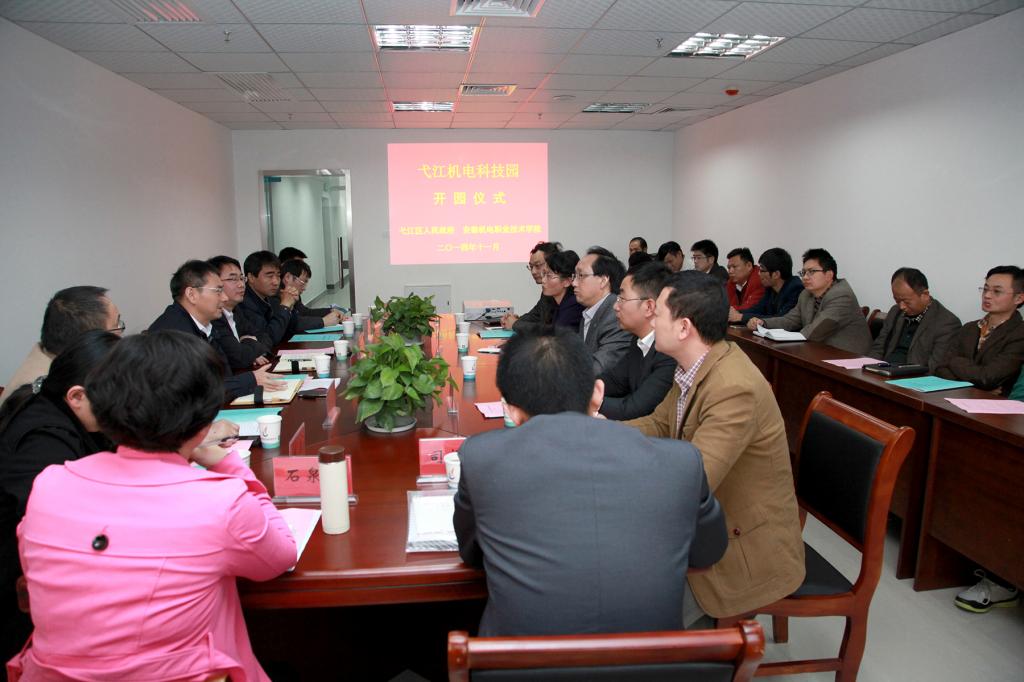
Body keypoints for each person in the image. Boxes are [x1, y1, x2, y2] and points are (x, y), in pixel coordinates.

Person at [9, 331, 296, 681]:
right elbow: (281, 555)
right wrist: (230, 466)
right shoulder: (219, 501)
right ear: (204, 422)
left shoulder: (49, 484)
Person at [453, 326, 726, 636]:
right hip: (652, 659)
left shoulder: (482, 458)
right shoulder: (681, 462)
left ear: (511, 410)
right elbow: (708, 553)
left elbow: (472, 554)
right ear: (598, 393)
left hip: (521, 660)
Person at [626, 271, 805, 623]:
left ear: (684, 328)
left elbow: (696, 482)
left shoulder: (733, 387)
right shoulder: (695, 365)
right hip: (708, 523)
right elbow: (660, 424)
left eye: (657, 314)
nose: (651, 321)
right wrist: (597, 435)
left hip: (739, 549)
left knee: (634, 615)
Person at [0, 331, 120, 663]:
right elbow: (58, 530)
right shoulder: (43, 441)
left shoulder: (64, 411)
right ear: (77, 396)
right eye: (119, 398)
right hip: (24, 602)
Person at [149, 260, 282, 401]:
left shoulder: (204, 324)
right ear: (192, 294)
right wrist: (251, 380)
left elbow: (223, 373)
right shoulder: (174, 333)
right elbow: (196, 393)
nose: (224, 298)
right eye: (218, 291)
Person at [1, 287, 122, 407]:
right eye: (116, 325)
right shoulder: (46, 396)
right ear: (89, 340)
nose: (120, 335)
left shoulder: (51, 357)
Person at [748, 248, 872, 355]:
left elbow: (817, 330)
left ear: (829, 275)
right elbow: (790, 320)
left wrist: (784, 337)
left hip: (850, 359)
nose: (805, 277)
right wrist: (763, 323)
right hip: (819, 353)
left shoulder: (841, 295)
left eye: (811, 272)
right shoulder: (806, 294)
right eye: (803, 272)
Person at [599, 261, 676, 420]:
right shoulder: (638, 340)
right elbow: (615, 381)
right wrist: (580, 388)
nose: (615, 306)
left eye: (622, 298)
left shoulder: (669, 352)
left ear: (649, 307)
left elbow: (634, 409)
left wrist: (582, 400)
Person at [935, 265, 1024, 394]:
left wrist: (954, 361)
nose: (987, 295)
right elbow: (940, 369)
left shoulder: (1019, 333)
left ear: (1018, 298)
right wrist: (975, 388)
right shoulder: (969, 328)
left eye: (997, 291)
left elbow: (988, 378)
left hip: (995, 404)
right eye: (985, 289)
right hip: (957, 397)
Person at [868, 267, 962, 372]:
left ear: (925, 295)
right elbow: (878, 348)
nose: (901, 306)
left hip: (912, 376)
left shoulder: (947, 323)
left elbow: (935, 368)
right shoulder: (895, 311)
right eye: (897, 300)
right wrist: (868, 368)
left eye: (906, 301)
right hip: (883, 372)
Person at [574, 248, 633, 374]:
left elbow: (600, 366)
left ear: (603, 280)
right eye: (575, 276)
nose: (574, 283)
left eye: (581, 276)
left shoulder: (616, 314)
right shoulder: (589, 312)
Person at [208, 255, 272, 370]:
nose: (241, 285)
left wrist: (246, 346)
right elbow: (238, 358)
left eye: (242, 278)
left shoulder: (236, 310)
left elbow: (266, 338)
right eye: (233, 279)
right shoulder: (214, 316)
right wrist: (250, 342)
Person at [237, 250, 299, 347]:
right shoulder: (244, 303)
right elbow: (270, 338)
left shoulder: (270, 296)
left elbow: (291, 327)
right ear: (251, 277)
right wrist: (285, 306)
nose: (276, 282)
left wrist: (290, 306)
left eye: (278, 276)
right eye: (270, 276)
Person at [732, 247, 803, 324]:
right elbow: (758, 309)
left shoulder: (795, 289)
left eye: (762, 270)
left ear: (776, 274)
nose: (758, 274)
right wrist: (737, 313)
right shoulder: (770, 288)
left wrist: (741, 317)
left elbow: (782, 319)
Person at [502, 241, 561, 330]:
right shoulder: (547, 292)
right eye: (531, 267)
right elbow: (535, 315)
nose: (533, 272)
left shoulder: (569, 298)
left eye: (538, 265)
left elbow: (550, 330)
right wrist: (514, 320)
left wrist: (515, 324)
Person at [280, 259, 343, 331]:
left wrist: (330, 311)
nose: (304, 288)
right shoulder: (275, 298)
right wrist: (323, 321)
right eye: (303, 282)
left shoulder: (292, 294)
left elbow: (304, 312)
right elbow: (291, 324)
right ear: (288, 277)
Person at [537, 250, 584, 330]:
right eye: (544, 274)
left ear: (567, 281)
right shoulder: (554, 302)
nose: (543, 280)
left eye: (549, 275)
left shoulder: (574, 306)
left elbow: (556, 335)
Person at [724, 247, 766, 316]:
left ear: (749, 266)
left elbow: (747, 309)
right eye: (729, 268)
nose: (730, 271)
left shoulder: (759, 279)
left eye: (734, 267)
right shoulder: (732, 282)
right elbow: (729, 307)